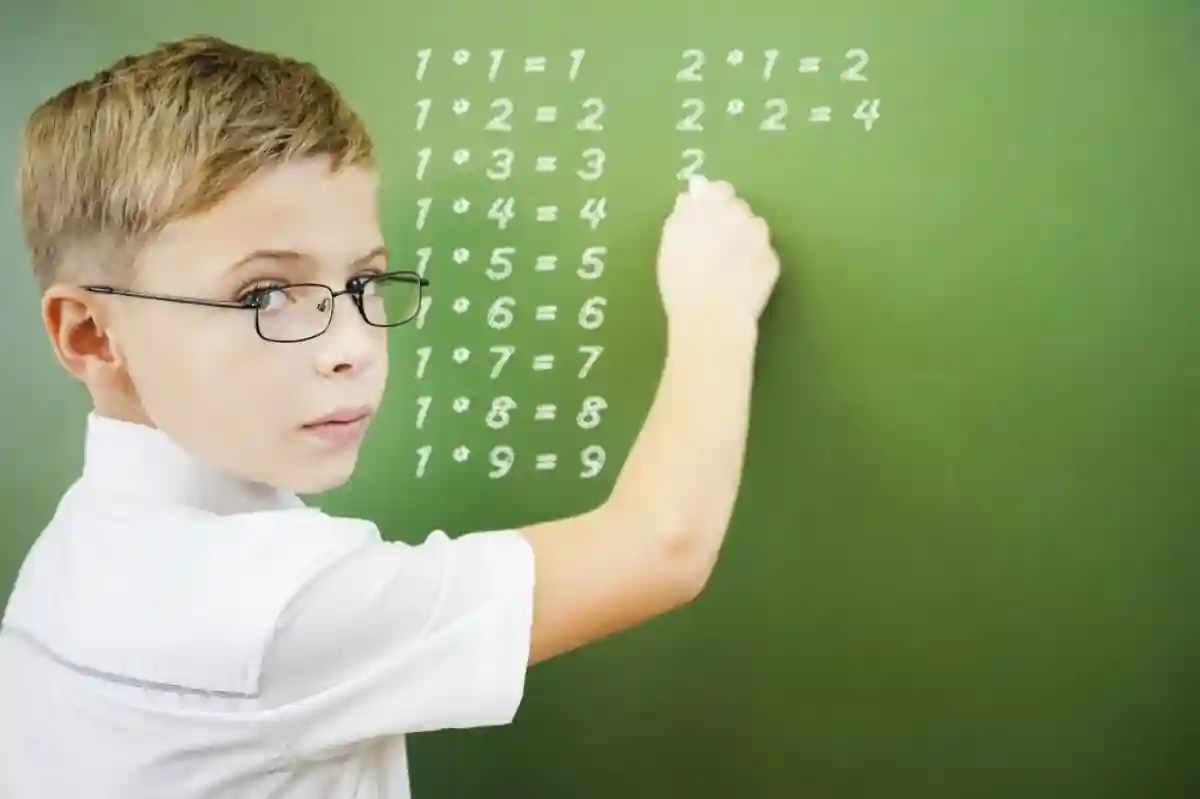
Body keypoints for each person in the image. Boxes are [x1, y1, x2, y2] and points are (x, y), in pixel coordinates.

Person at [0, 34, 779, 798]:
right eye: (262, 294)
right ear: (92, 334)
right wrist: (715, 310)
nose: (352, 345)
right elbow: (663, 545)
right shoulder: (274, 607)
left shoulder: (69, 555)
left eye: (366, 284)